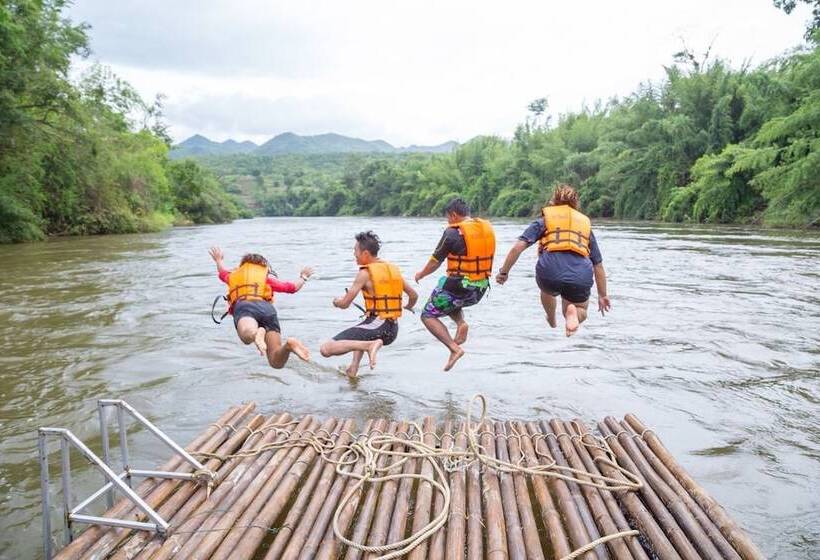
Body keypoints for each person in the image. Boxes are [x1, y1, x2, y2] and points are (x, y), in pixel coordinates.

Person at [495, 184, 611, 336]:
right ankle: (573, 313)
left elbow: (518, 247)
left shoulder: (544, 221)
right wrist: (603, 295)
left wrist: (504, 273)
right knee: (582, 309)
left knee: (547, 289)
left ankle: (551, 317)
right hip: (580, 275)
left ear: (553, 202)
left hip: (550, 272)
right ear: (576, 205)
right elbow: (598, 265)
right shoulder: (585, 227)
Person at [320, 231, 417, 378]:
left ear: (365, 253)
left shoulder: (365, 273)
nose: (354, 255)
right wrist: (409, 306)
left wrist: (336, 302)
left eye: (355, 251)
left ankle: (369, 345)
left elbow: (345, 303)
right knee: (363, 326)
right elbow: (413, 295)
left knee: (326, 349)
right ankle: (353, 369)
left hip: (378, 327)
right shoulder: (392, 270)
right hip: (392, 329)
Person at [414, 198, 496, 371]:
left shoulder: (452, 233)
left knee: (428, 315)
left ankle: (454, 348)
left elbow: (435, 261)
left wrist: (421, 274)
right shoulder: (485, 228)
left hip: (459, 286)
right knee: (447, 293)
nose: (448, 221)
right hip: (479, 289)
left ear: (453, 215)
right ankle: (461, 323)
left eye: (448, 218)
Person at [209, 246, 312, 368]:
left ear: (243, 265)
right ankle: (288, 345)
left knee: (246, 336)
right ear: (263, 267)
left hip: (245, 306)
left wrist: (219, 260)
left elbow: (221, 272)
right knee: (275, 362)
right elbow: (292, 288)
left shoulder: (233, 276)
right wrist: (303, 277)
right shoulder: (266, 279)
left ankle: (255, 333)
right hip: (267, 309)